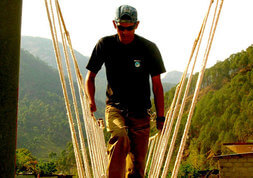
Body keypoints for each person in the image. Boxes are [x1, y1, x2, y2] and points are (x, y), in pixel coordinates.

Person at [85, 5, 166, 178]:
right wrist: (91, 101)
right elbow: (90, 77)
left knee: (137, 169)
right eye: (121, 27)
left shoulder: (148, 48)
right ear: (115, 24)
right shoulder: (105, 45)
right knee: (120, 137)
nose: (125, 32)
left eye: (129, 28)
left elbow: (157, 85)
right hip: (115, 108)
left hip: (141, 113)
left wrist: (161, 116)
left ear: (136, 25)